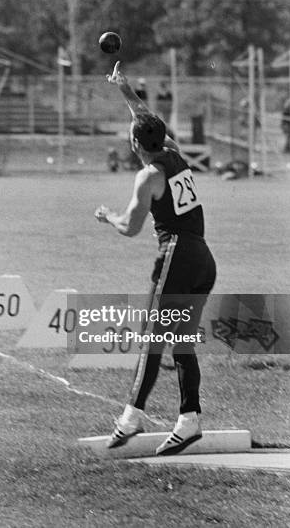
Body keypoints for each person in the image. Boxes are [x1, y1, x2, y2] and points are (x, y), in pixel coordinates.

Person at [95, 62, 216, 456]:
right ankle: (189, 420)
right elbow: (146, 121)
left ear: (134, 144)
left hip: (176, 256)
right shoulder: (174, 152)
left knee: (152, 340)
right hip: (202, 258)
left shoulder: (147, 176)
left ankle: (131, 417)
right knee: (180, 342)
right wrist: (126, 90)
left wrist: (107, 216)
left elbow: (130, 227)